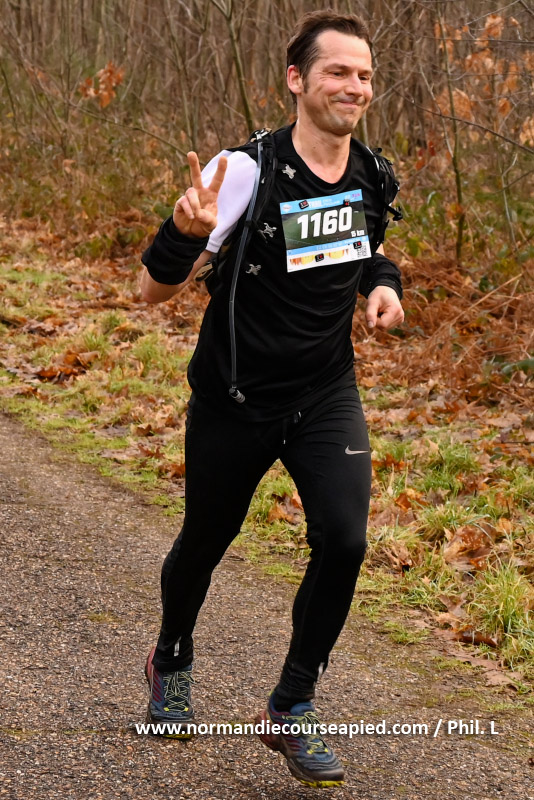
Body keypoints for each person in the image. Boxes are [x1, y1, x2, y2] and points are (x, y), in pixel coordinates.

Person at [140, 9, 404, 789]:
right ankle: (171, 658)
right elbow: (150, 291)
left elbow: (367, 247)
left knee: (345, 541)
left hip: (324, 391)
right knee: (207, 539)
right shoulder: (245, 172)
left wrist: (384, 286)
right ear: (297, 79)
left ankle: (291, 705)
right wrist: (183, 233)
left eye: (364, 75)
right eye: (338, 71)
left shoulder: (372, 172)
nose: (354, 86)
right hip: (235, 396)